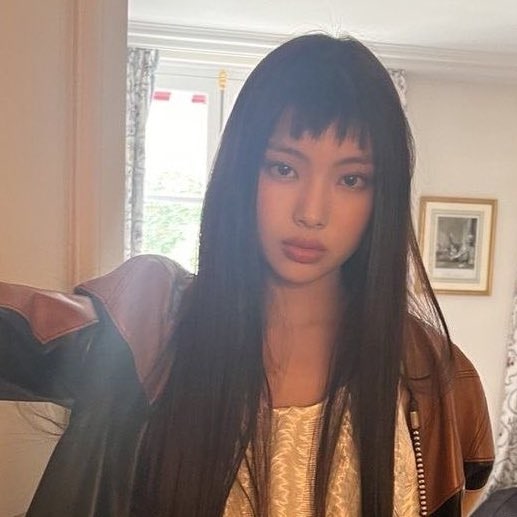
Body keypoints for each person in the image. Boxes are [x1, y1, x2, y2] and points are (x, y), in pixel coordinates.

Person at [0, 34, 494, 517]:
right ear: (242, 171)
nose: (312, 212)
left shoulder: (436, 376)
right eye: (283, 169)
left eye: (351, 179)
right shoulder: (150, 327)